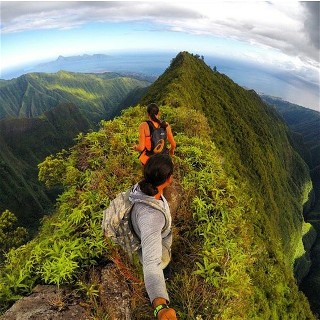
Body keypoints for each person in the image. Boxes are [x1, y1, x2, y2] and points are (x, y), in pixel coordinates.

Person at [129, 154, 177, 319]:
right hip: (153, 246)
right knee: (162, 267)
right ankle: (164, 279)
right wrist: (160, 308)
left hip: (145, 236)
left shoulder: (140, 188)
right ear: (168, 179)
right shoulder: (152, 217)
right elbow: (151, 263)